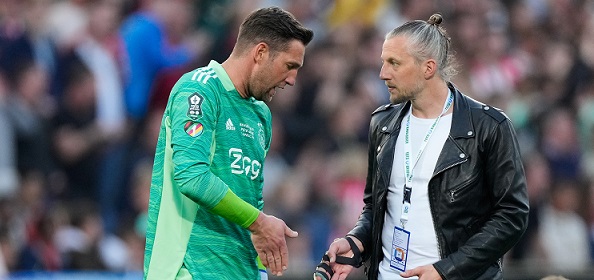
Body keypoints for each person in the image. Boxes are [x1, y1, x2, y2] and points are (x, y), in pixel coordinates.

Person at [314, 13, 529, 280]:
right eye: (383, 62)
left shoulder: (490, 126)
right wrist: (357, 241)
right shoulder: (382, 123)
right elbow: (374, 206)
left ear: (428, 68)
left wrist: (446, 270)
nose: (382, 73)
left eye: (394, 63)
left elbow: (512, 216)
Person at [143, 6, 313, 280]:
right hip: (189, 270)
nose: (292, 80)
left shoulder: (260, 115)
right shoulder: (199, 90)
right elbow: (192, 177)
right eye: (289, 66)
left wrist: (259, 262)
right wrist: (260, 223)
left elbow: (250, 200)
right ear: (260, 53)